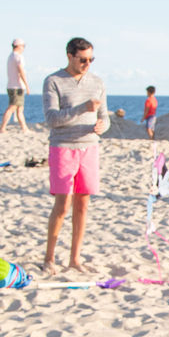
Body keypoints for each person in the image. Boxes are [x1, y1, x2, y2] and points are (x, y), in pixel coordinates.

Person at [42, 37, 109, 275]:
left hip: (90, 146)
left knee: (83, 204)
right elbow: (51, 119)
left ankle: (75, 258)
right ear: (70, 56)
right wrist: (82, 108)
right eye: (82, 59)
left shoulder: (97, 82)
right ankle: (49, 257)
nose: (87, 64)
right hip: (63, 146)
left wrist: (103, 125)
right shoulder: (53, 81)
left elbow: (104, 116)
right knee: (62, 204)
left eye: (91, 59)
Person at [0, 39, 30, 133]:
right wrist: (26, 85)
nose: (24, 48)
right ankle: (2, 128)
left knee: (19, 108)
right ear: (19, 46)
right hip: (17, 86)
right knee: (13, 107)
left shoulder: (11, 56)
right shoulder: (18, 57)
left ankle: (24, 128)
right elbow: (21, 71)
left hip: (12, 85)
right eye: (23, 46)